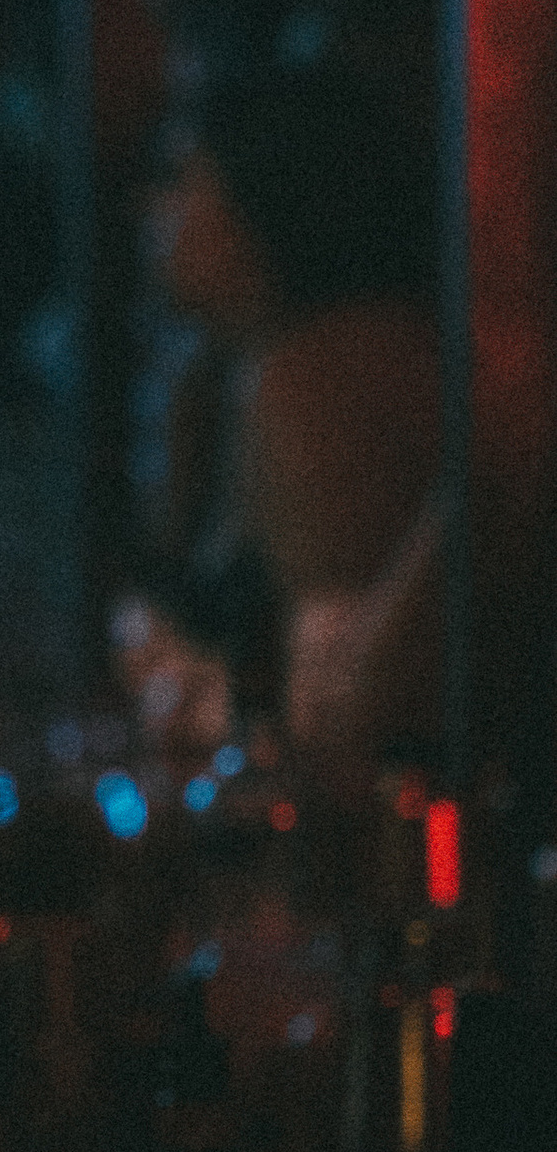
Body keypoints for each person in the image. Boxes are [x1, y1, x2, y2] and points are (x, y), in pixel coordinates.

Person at [114, 50, 439, 763]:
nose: (152, 211)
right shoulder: (240, 366)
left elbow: (332, 702)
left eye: (182, 180)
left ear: (257, 208)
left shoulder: (316, 375)